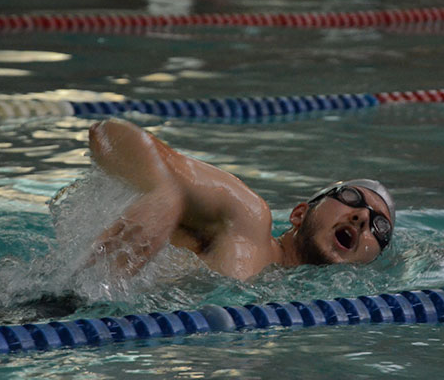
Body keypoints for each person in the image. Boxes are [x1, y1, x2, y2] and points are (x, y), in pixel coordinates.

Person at [87, 118, 395, 281]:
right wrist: (164, 192)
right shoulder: (246, 218)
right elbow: (108, 132)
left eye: (380, 228)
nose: (363, 217)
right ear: (299, 214)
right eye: (351, 197)